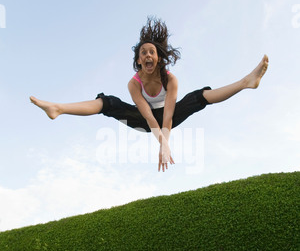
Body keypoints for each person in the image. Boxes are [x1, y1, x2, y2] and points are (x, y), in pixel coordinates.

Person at [30, 17, 269, 172]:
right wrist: (161, 143)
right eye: (143, 53)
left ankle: (245, 82)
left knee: (198, 97)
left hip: (168, 117)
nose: (147, 55)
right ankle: (59, 108)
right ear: (138, 61)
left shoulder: (171, 79)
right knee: (109, 103)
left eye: (151, 52)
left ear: (158, 58)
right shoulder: (133, 85)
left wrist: (166, 144)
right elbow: (149, 118)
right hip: (144, 122)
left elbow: (167, 118)